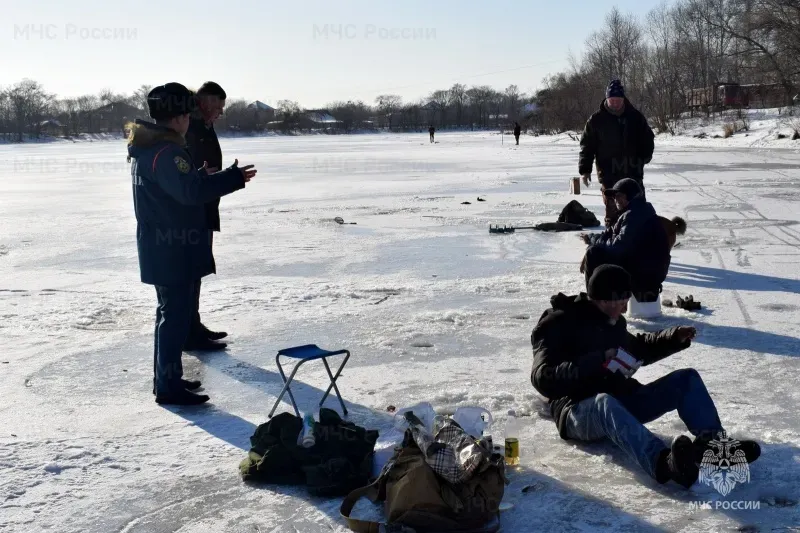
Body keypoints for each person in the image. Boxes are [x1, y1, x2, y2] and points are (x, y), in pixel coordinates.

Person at [530, 265, 760, 488]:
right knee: (604, 402)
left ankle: (714, 445)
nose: (624, 309)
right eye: (621, 302)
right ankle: (663, 464)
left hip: (620, 398)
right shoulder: (558, 323)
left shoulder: (613, 322)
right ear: (604, 299)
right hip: (577, 411)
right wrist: (596, 360)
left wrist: (672, 338)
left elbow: (636, 348)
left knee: (686, 379)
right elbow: (542, 378)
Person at [128, 82, 257, 405]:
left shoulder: (149, 149)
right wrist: (232, 179)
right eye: (187, 114)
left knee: (171, 315)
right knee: (173, 317)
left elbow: (177, 189)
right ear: (179, 117)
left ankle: (168, 380)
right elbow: (190, 194)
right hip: (172, 249)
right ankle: (168, 386)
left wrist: (196, 176)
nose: (189, 121)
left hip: (162, 245)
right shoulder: (167, 152)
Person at [184, 81, 228, 351]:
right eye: (219, 106)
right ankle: (189, 331)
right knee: (191, 271)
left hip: (205, 206)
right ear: (206, 101)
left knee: (198, 270)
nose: (221, 112)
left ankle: (194, 325)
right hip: (193, 211)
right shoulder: (191, 127)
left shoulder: (203, 126)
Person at [580, 178, 669, 304]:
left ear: (631, 197)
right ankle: (600, 299)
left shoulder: (634, 215)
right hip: (645, 268)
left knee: (593, 253)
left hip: (644, 273)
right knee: (596, 249)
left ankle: (593, 302)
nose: (615, 200)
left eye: (619, 196)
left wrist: (595, 244)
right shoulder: (636, 212)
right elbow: (609, 235)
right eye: (615, 196)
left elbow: (617, 248)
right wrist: (592, 238)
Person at [579, 79, 655, 227]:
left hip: (633, 173)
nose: (614, 103)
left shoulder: (635, 117)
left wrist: (644, 158)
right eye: (611, 100)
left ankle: (640, 242)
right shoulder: (596, 120)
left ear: (623, 99)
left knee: (638, 211)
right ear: (606, 99)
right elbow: (587, 147)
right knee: (613, 214)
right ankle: (613, 243)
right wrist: (585, 170)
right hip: (609, 174)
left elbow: (648, 139)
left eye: (617, 100)